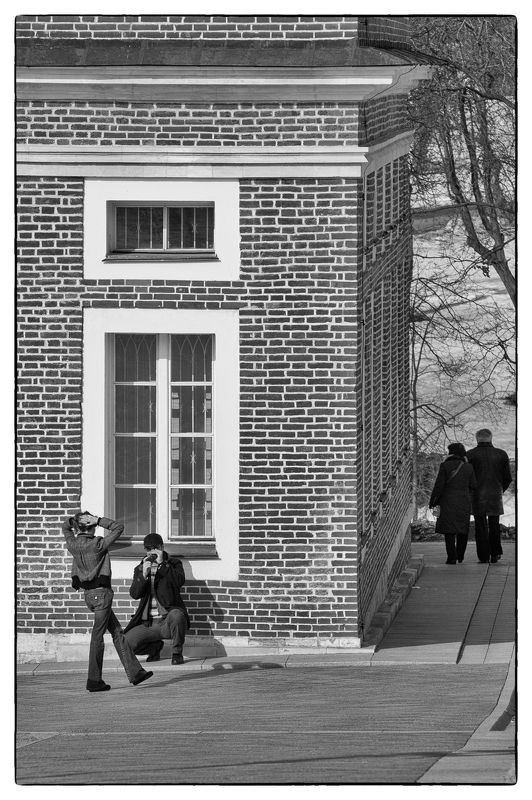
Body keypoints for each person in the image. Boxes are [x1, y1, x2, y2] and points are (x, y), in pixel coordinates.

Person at [63, 512, 153, 692]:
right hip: (101, 595)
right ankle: (93, 680)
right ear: (91, 526)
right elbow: (118, 527)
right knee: (98, 636)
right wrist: (98, 520)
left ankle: (136, 673)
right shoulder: (97, 544)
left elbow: (65, 527)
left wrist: (75, 521)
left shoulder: (72, 544)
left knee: (117, 632)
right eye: (93, 522)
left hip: (89, 596)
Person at [124, 533, 190, 665]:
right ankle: (154, 648)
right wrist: (143, 575)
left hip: (167, 621)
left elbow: (178, 581)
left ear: (162, 547)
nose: (152, 551)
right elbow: (134, 594)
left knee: (177, 615)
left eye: (155, 548)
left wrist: (162, 564)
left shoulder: (173, 563)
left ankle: (177, 653)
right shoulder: (141, 567)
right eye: (148, 549)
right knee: (124, 642)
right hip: (148, 623)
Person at [467, 428, 512, 564]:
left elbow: (467, 477)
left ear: (477, 439)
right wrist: (500, 490)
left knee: (480, 526)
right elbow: (507, 478)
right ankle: (495, 553)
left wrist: (471, 491)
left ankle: (483, 556)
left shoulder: (470, 455)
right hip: (495, 495)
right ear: (491, 438)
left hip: (477, 495)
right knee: (494, 525)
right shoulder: (501, 454)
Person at [429, 443, 477, 564]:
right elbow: (473, 485)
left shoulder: (445, 465)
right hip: (464, 502)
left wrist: (433, 501)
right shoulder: (469, 467)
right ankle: (460, 556)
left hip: (447, 501)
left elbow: (439, 485)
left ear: (451, 453)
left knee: (449, 530)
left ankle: (451, 557)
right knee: (462, 529)